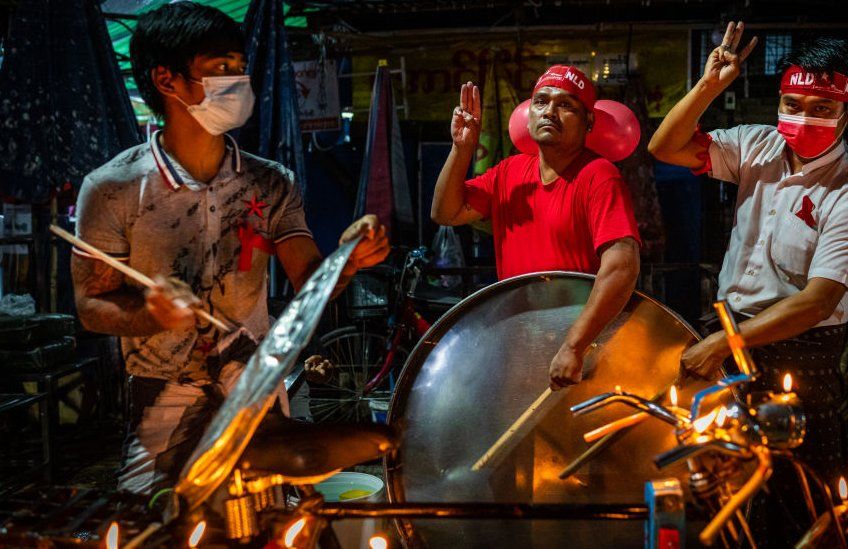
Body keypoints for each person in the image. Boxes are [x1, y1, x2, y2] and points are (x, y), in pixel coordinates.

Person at [70, 2, 389, 495]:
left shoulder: (269, 182)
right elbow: (91, 305)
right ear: (166, 80)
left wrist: (344, 262)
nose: (237, 82)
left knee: (265, 522)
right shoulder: (112, 188)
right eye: (219, 69)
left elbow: (310, 284)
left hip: (256, 393)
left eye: (239, 68)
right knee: (162, 521)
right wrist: (151, 314)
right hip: (163, 401)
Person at [649, 23, 848, 540]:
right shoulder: (757, 145)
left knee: (802, 492)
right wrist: (709, 86)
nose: (803, 118)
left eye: (822, 108)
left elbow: (818, 302)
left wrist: (721, 343)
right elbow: (664, 147)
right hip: (731, 336)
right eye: (793, 102)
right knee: (725, 483)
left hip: (800, 350)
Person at [430, 65, 641, 391]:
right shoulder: (509, 172)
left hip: (581, 348)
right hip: (520, 343)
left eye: (566, 105)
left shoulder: (599, 175)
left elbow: (621, 267)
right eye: (541, 102)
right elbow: (446, 212)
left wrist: (575, 345)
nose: (550, 112)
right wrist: (462, 149)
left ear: (588, 122)